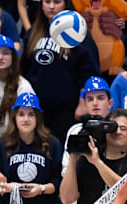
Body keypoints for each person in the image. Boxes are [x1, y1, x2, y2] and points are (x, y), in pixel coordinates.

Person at [21, 0, 100, 143]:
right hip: (36, 110)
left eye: (57, 2)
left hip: (66, 111)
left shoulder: (77, 33)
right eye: (47, 2)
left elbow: (90, 73)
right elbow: (23, 71)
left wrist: (83, 102)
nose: (51, 7)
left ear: (66, 5)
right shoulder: (33, 33)